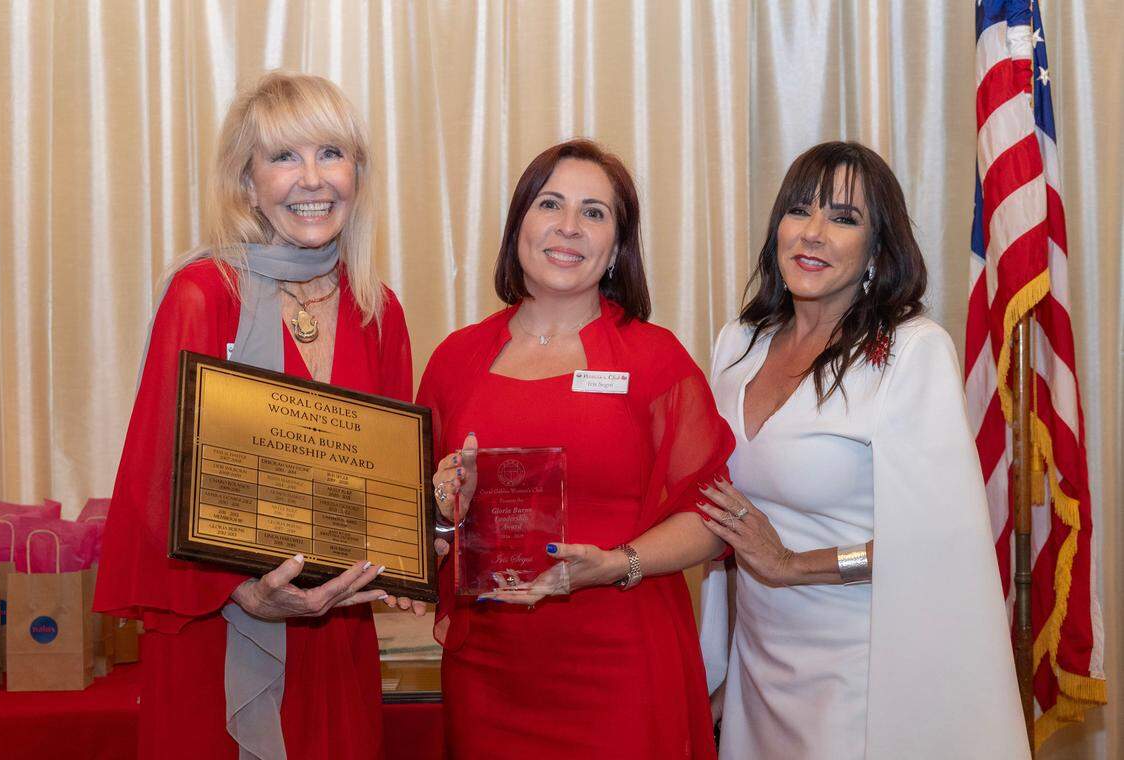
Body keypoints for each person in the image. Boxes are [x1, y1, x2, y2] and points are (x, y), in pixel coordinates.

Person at [94, 71, 423, 760]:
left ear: (357, 173)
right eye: (284, 157)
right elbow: (157, 490)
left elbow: (385, 489)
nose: (313, 179)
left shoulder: (380, 312)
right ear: (246, 181)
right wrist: (246, 592)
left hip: (336, 643)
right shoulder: (202, 295)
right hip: (216, 635)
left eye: (330, 153)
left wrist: (430, 517)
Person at [698, 141, 1030, 759]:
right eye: (800, 211)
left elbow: (936, 540)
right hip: (757, 671)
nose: (814, 234)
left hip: (862, 673)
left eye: (844, 218)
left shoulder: (912, 350)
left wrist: (793, 565)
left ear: (877, 250)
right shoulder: (737, 342)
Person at [417, 139, 736, 759]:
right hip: (490, 675)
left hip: (620, 664)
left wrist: (617, 564)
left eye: (594, 213)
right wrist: (440, 507)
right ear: (518, 228)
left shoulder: (654, 360)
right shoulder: (454, 361)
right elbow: (420, 521)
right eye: (550, 204)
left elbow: (713, 519)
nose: (568, 226)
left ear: (617, 246)